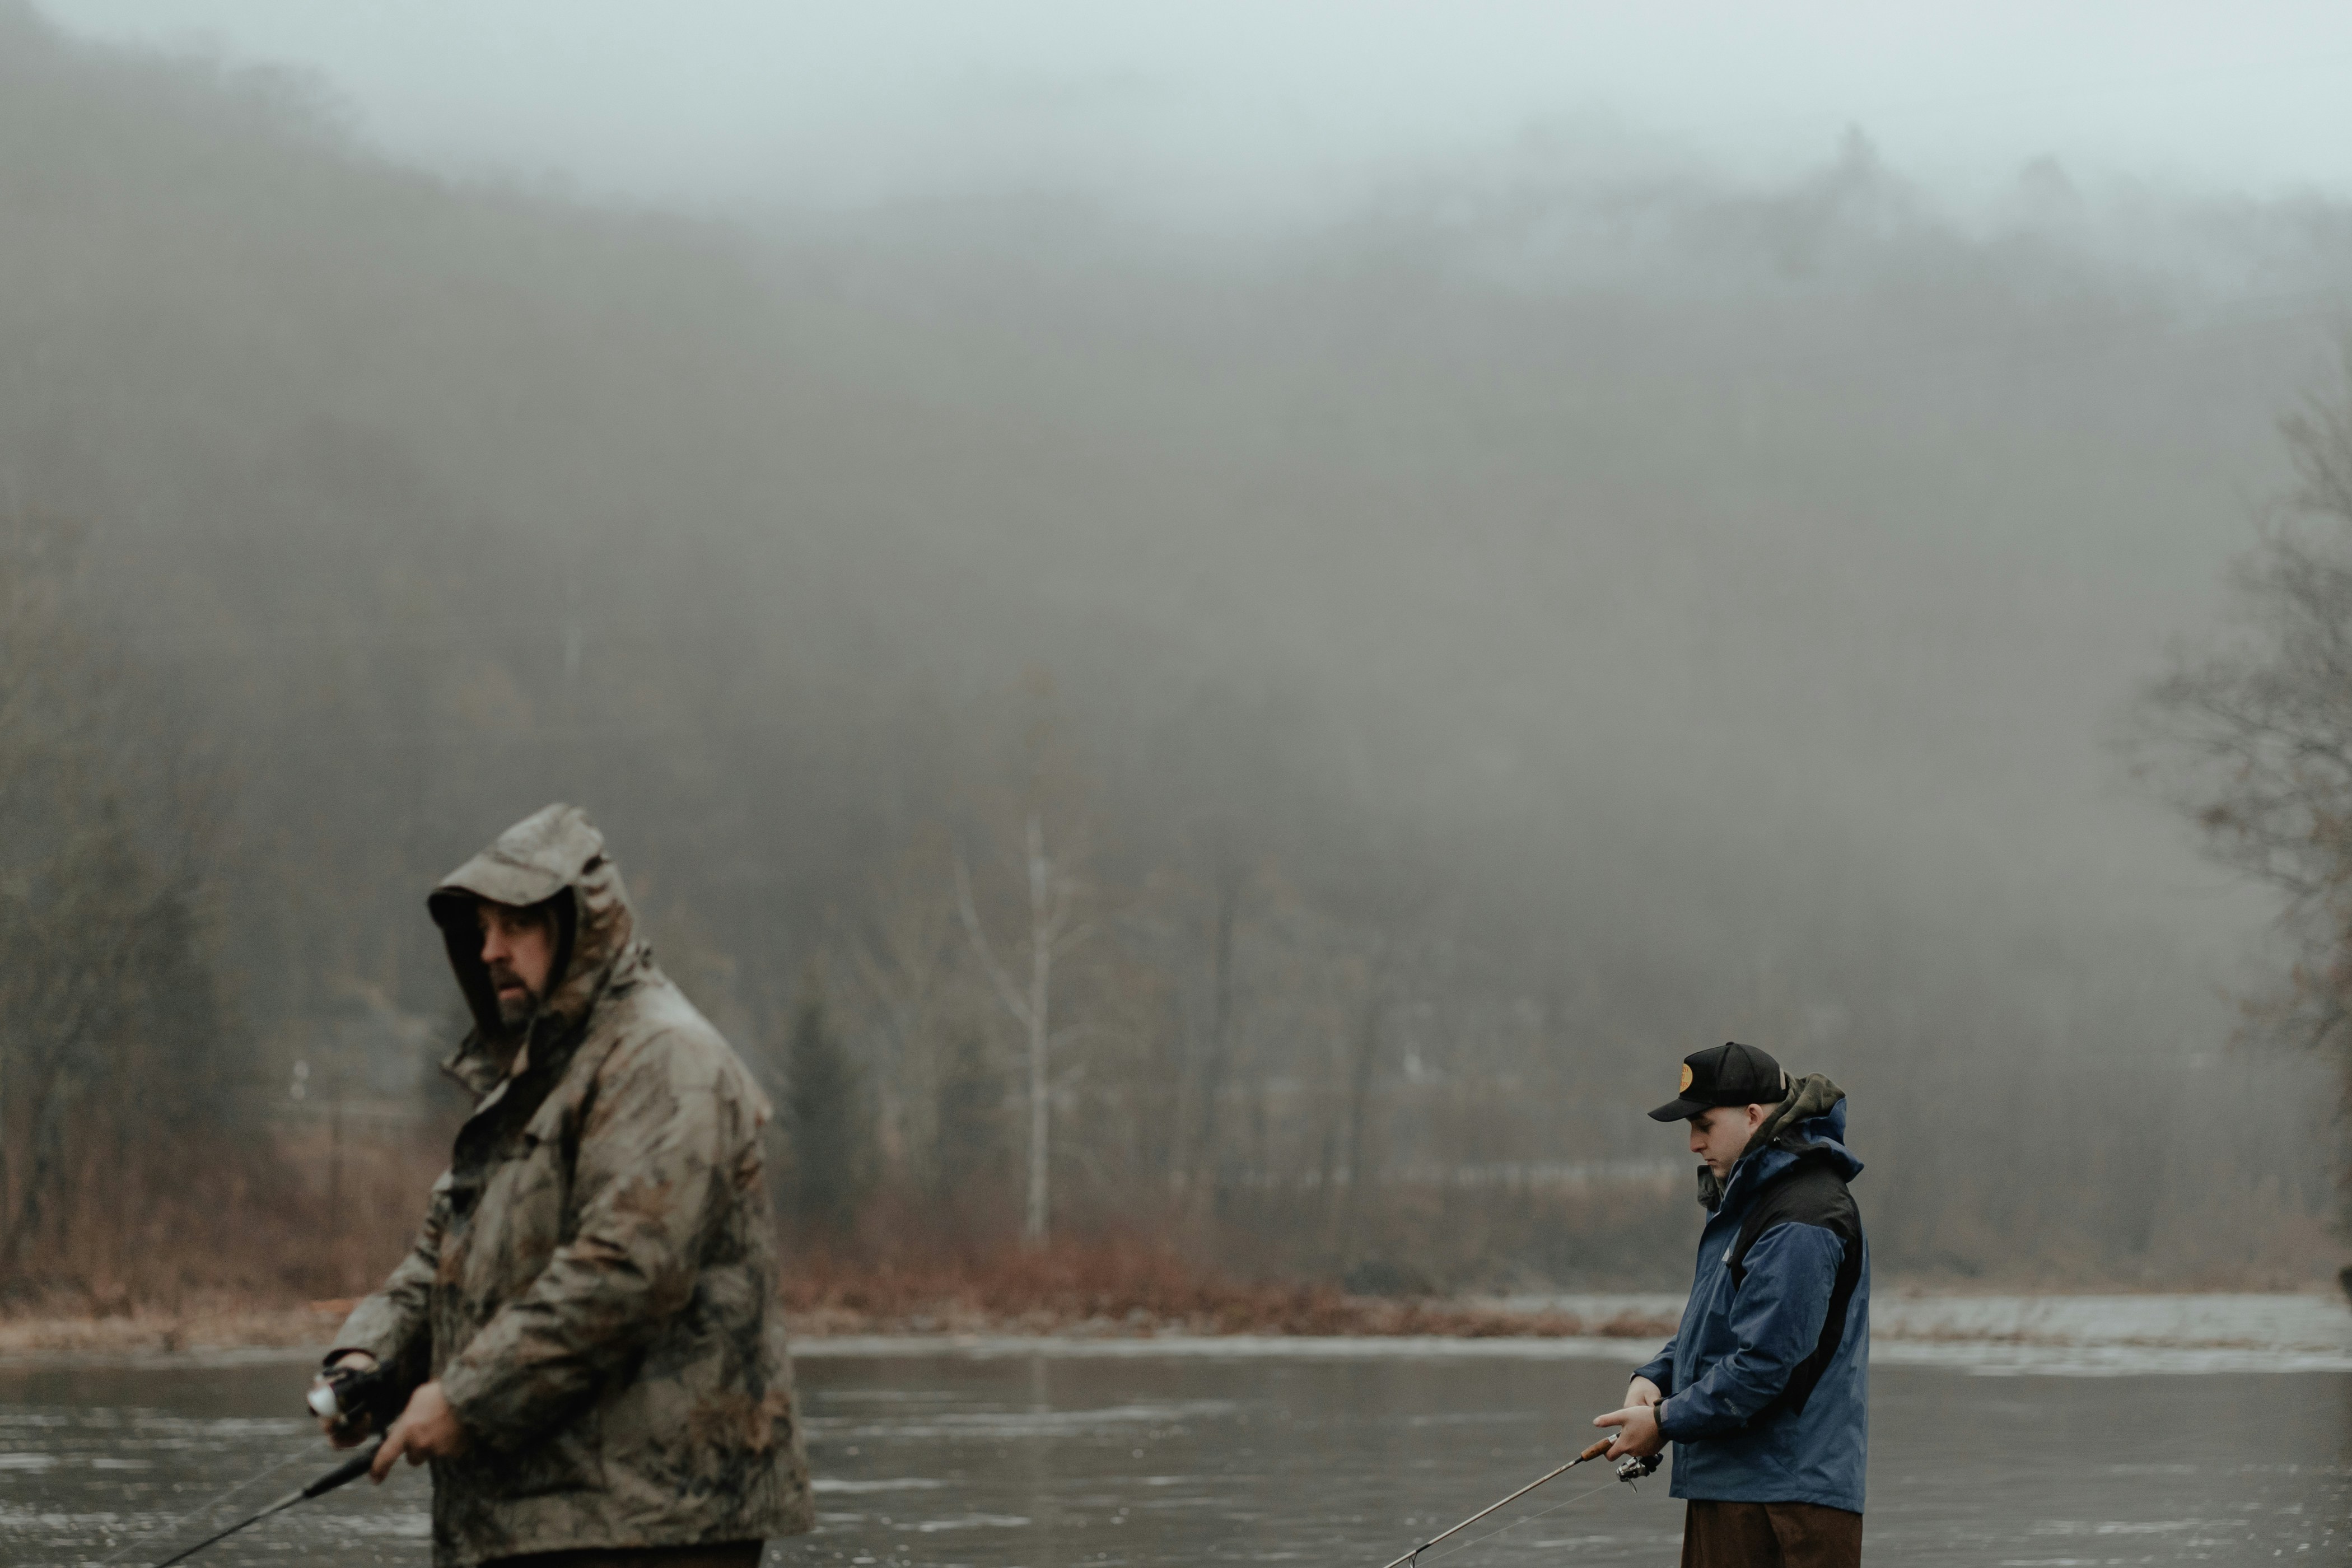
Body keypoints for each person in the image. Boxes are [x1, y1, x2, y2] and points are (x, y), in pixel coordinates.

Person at [319, 804, 813, 1568]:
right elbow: (439, 1261)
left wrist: (463, 1399)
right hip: (538, 1524)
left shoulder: (666, 1060)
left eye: (513, 926)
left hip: (655, 1528)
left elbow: (623, 1273)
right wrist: (366, 1362)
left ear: (576, 923)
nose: (489, 952)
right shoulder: (526, 1087)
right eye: (480, 932)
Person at [1592, 1041, 1868, 1568]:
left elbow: (1764, 1366)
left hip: (1788, 1502)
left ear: (1752, 1116)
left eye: (1704, 1125)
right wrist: (1656, 1379)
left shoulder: (1803, 1215)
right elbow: (1715, 1328)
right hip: (1734, 1488)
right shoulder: (1747, 1205)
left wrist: (1664, 1422)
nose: (1693, 1143)